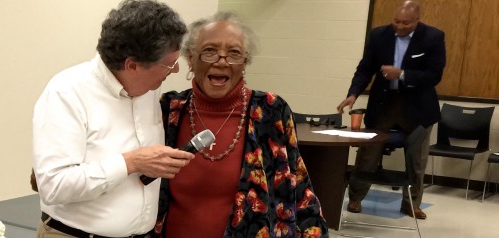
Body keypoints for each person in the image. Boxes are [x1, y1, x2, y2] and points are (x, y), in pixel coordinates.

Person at [154, 12, 328, 237]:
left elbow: (296, 185)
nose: (222, 61)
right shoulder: (169, 109)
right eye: (209, 51)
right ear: (190, 58)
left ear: (245, 62)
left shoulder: (270, 110)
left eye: (234, 53)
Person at [32, 1, 195, 237]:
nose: (175, 71)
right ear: (132, 65)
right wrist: (129, 163)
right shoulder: (66, 93)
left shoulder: (147, 87)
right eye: (169, 65)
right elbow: (54, 186)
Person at [336, 0, 443, 220]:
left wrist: (402, 74)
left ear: (417, 21)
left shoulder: (433, 37)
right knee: (367, 154)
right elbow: (365, 68)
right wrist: (353, 93)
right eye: (396, 21)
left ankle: (411, 204)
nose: (400, 26)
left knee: (417, 160)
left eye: (406, 23)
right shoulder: (379, 35)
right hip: (384, 104)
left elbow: (434, 75)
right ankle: (356, 198)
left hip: (418, 108)